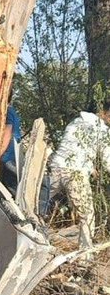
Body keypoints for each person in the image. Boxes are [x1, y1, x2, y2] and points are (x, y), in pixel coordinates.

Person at [48, 97, 110, 253]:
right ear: (103, 112)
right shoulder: (102, 129)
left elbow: (75, 148)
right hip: (74, 173)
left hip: (56, 167)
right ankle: (85, 255)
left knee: (45, 211)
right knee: (87, 216)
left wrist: (90, 168)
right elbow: (107, 159)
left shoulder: (76, 121)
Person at [0, 93, 23, 195]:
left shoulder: (7, 111)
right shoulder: (13, 112)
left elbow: (7, 133)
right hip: (13, 156)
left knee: (4, 189)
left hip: (7, 156)